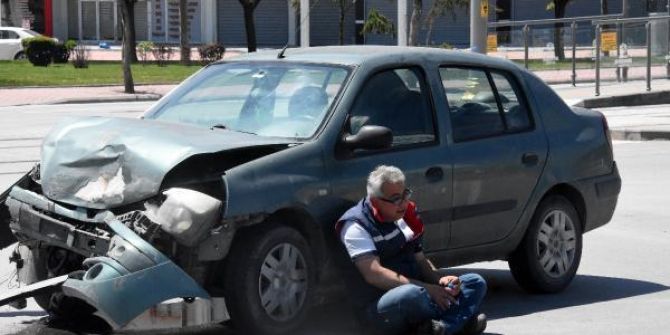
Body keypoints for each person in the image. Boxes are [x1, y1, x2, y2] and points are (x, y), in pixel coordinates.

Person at [335, 165, 487, 335]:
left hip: (421, 292)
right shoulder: (356, 225)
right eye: (395, 199)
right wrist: (429, 289)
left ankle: (441, 328)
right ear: (375, 201)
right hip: (383, 306)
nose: (404, 203)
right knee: (411, 295)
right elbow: (374, 274)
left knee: (475, 281)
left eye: (405, 195)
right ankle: (458, 323)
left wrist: (440, 280)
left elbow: (420, 259)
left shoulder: (405, 215)